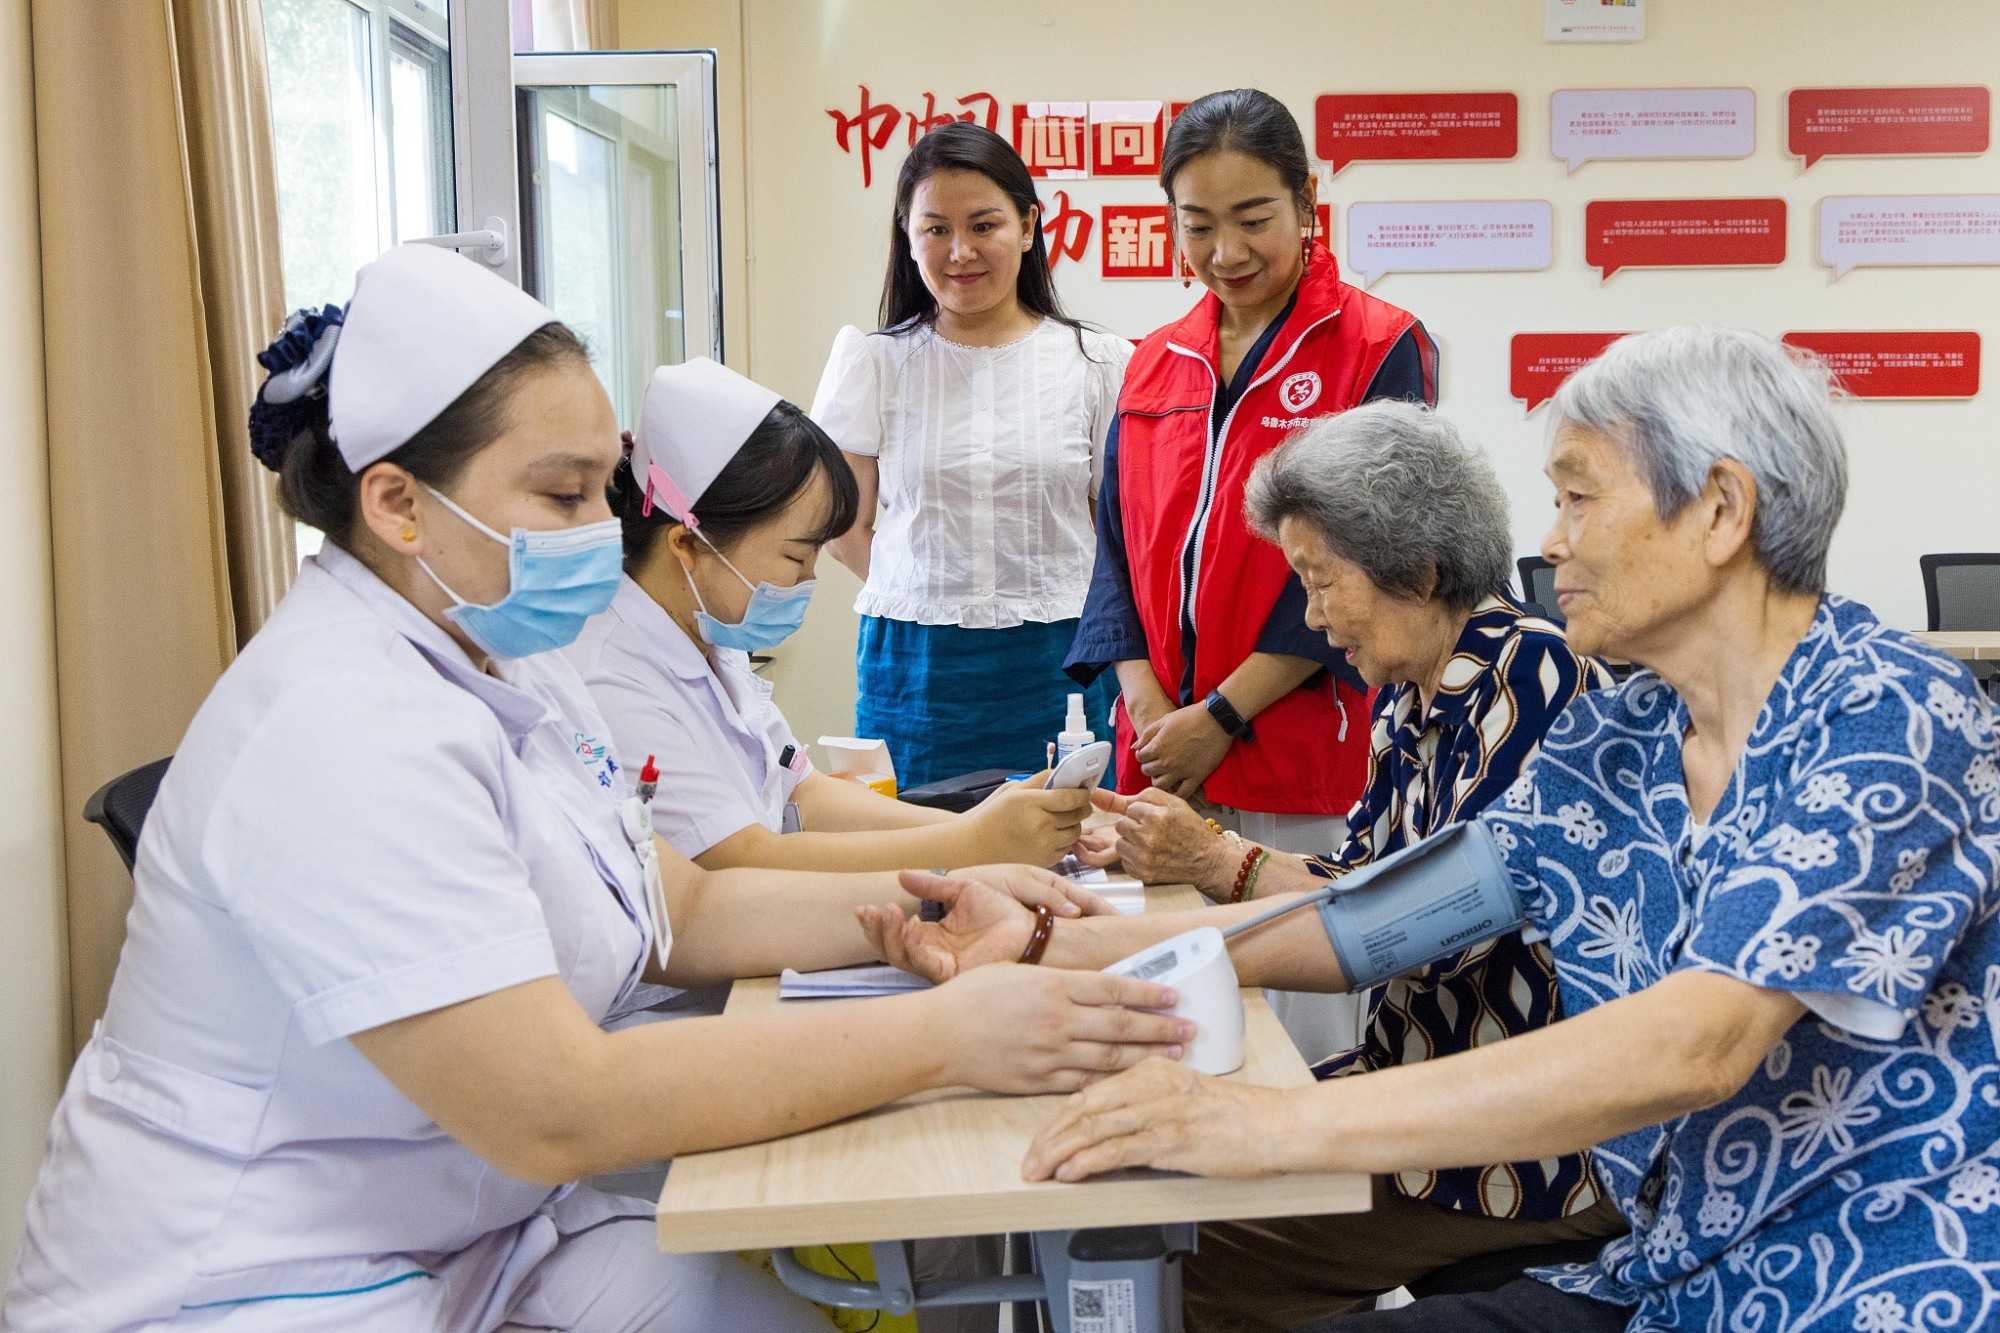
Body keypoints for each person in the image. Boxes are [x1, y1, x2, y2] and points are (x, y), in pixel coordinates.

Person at [0, 245, 1190, 1333]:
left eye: (602, 490)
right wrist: (942, 1035)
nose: (598, 531)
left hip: (481, 1232)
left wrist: (937, 898)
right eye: (562, 497)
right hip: (265, 1276)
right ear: (399, 502)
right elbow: (555, 1105)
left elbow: (689, 905)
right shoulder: (337, 725)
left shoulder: (511, 664)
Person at [879, 328, 2000, 1333]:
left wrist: (1262, 1126)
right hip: (1669, 1270)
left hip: (1869, 1279)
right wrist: (1044, 946)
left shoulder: (1886, 711)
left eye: (1574, 498)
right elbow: (1371, 922)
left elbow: (1691, 1045)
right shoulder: (1624, 733)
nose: (1546, 543)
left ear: (1717, 509)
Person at [1064, 401, 1622, 1329]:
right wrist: (1210, 859)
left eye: (1322, 583)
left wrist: (1118, 942)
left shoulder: (1532, 676)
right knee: (1163, 1161)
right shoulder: (1413, 695)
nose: (1316, 620)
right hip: (1422, 1085)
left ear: (1420, 568)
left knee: (1171, 1239)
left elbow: (1402, 930)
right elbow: (1359, 888)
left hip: (1516, 1139)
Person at [1064, 88, 1437, 1060]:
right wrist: (1152, 719)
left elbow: (1362, 558)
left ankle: (1302, 1217)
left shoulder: (1377, 348)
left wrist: (1217, 717)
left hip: (1300, 761)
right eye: (1197, 224)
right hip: (1161, 762)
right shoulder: (1153, 362)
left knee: (1301, 1040)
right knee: (1165, 1024)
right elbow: (1114, 548)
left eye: (1251, 219)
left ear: (1306, 198)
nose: (1224, 251)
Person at [570, 356, 1092, 874]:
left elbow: (805, 794)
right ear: (688, 542)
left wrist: (981, 821)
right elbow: (741, 858)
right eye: (796, 557)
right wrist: (974, 844)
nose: (807, 581)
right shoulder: (612, 674)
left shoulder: (710, 636)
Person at [810, 121, 1130, 789]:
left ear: (1030, 224)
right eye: (935, 229)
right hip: (918, 666)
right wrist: (931, 588)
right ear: (908, 234)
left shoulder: (1096, 362)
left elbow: (1118, 533)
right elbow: (843, 528)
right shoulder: (875, 361)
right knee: (923, 857)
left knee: (1068, 858)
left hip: (1061, 657)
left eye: (984, 225)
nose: (961, 251)